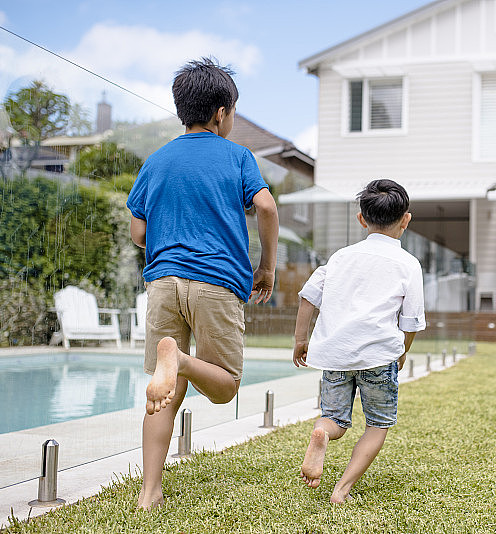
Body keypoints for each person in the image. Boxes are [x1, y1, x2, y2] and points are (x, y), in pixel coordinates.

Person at [126, 58, 279, 510]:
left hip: (163, 282)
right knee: (226, 383)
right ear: (220, 113)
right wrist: (266, 267)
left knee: (162, 394)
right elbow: (266, 208)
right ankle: (185, 363)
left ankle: (148, 495)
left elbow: (137, 232)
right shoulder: (236, 156)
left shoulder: (157, 160)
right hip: (216, 283)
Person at [293, 179, 425, 504]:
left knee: (334, 417)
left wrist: (300, 340)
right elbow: (411, 321)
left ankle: (322, 433)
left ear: (361, 219)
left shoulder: (340, 257)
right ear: (405, 219)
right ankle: (342, 489)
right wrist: (403, 352)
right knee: (377, 425)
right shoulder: (408, 264)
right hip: (380, 356)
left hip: (335, 355)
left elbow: (308, 296)